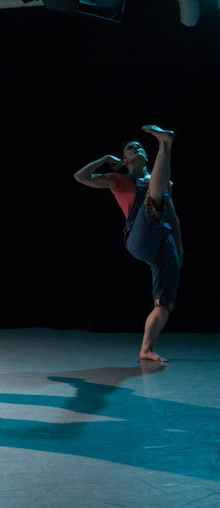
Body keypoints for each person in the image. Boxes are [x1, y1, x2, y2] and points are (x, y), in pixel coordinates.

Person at [74, 125, 183, 362]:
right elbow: (80, 177)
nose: (138, 148)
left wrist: (180, 248)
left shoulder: (164, 183)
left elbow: (172, 218)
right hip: (139, 236)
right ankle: (166, 143)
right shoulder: (118, 179)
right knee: (152, 203)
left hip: (163, 239)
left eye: (140, 146)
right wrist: (105, 159)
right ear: (124, 161)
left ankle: (146, 350)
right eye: (132, 149)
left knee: (164, 304)